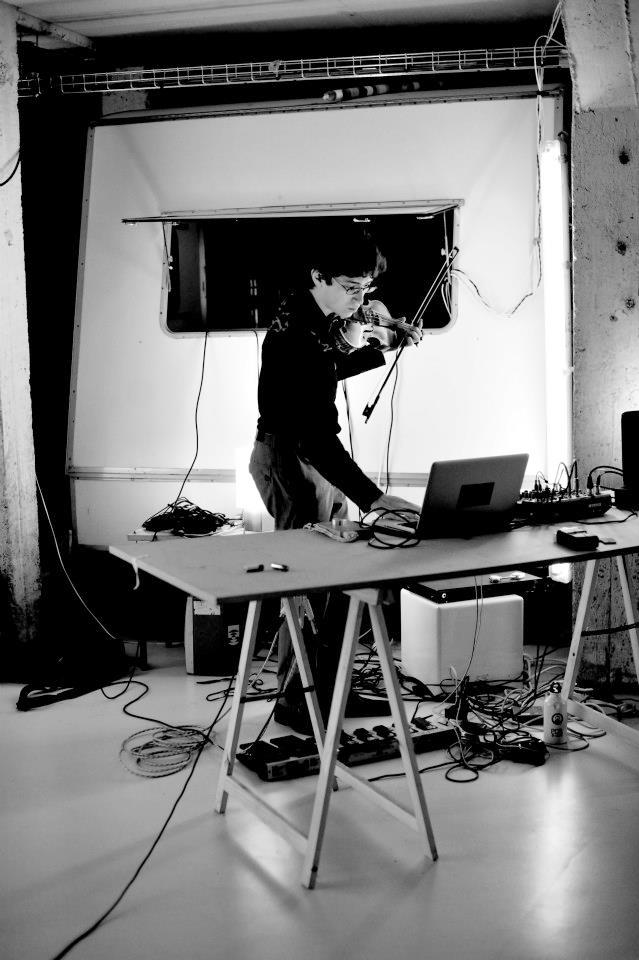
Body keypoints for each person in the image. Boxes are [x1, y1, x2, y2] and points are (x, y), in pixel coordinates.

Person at [249, 223, 422, 730]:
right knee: (304, 583)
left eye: (365, 289)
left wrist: (379, 348)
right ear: (317, 276)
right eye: (350, 288)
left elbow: (329, 371)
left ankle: (329, 690)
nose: (360, 301)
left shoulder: (312, 315)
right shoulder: (295, 335)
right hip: (291, 461)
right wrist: (374, 499)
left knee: (335, 578)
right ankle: (295, 701)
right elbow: (315, 439)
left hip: (308, 458)